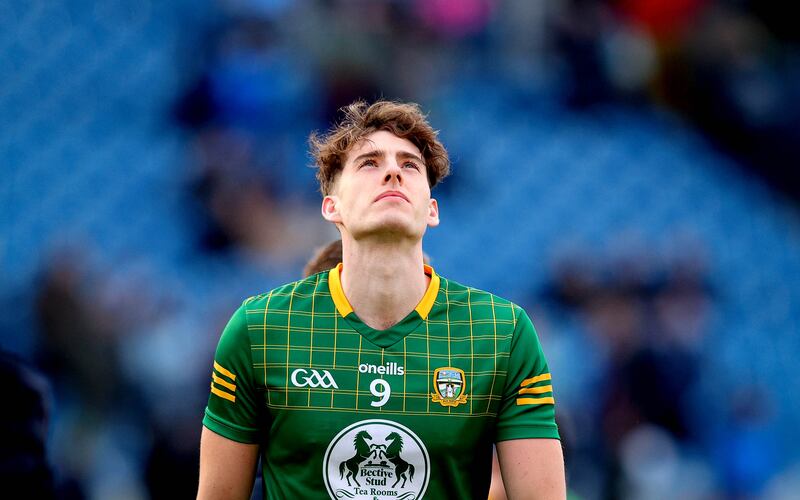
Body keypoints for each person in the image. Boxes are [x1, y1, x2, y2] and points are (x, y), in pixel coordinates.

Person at [197, 100, 566, 499]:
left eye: (410, 165)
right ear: (331, 207)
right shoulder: (260, 328)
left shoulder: (501, 333)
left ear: (432, 210)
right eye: (369, 163)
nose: (393, 171)